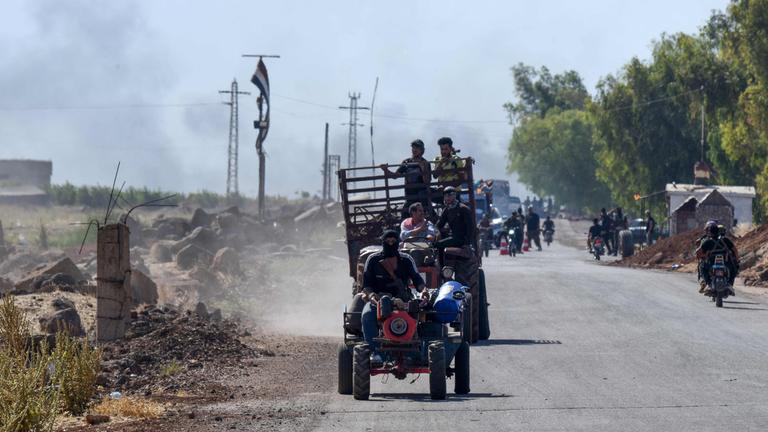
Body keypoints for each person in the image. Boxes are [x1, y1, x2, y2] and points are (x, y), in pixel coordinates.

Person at [360, 230, 428, 360]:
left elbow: (417, 279)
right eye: (388, 241)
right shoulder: (373, 259)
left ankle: (415, 350)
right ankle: (375, 352)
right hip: (378, 300)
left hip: (403, 300)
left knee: (423, 315)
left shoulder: (407, 260)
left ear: (398, 243)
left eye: (393, 241)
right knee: (367, 315)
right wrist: (372, 296)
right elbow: (366, 285)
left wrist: (423, 291)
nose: (391, 243)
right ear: (383, 242)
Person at [381, 139, 432, 219]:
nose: (414, 150)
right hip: (410, 197)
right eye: (413, 148)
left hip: (422, 198)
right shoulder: (406, 162)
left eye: (417, 148)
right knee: (404, 218)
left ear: (422, 150)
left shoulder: (425, 163)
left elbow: (427, 181)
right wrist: (385, 170)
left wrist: (423, 169)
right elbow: (395, 176)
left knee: (426, 218)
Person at [696, 221, 739, 295]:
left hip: (711, 264)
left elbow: (698, 252)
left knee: (702, 267)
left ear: (710, 232)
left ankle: (709, 284)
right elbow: (735, 250)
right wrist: (737, 260)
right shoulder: (726, 240)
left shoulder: (708, 242)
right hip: (726, 264)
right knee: (735, 268)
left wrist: (703, 257)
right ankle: (729, 284)